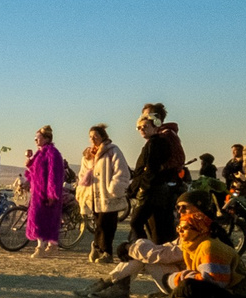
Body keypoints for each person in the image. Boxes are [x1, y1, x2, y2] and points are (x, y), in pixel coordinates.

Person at [163, 192, 246, 298]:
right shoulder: (191, 243)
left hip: (231, 295)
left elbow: (217, 281)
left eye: (185, 207)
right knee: (179, 286)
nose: (180, 211)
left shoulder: (211, 241)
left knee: (187, 286)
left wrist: (181, 277)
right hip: (210, 286)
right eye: (179, 229)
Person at [128, 107, 187, 245]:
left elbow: (178, 159)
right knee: (157, 228)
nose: (144, 119)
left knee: (156, 229)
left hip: (156, 188)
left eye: (148, 117)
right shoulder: (157, 137)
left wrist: (159, 169)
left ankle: (149, 254)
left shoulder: (164, 136)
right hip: (156, 187)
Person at [76, 124, 131, 261]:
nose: (93, 139)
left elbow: (122, 170)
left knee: (107, 225)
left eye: (96, 136)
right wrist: (82, 189)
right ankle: (97, 247)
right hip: (93, 196)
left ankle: (106, 252)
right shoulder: (88, 155)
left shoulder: (113, 151)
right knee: (98, 223)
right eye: (90, 137)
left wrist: (114, 187)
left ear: (103, 136)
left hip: (108, 195)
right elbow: (82, 174)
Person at [23, 127, 71, 257]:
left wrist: (52, 193)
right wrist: (29, 161)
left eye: (38, 138)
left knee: (47, 219)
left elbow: (54, 175)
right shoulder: (39, 154)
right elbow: (32, 172)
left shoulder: (52, 153)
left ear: (46, 138)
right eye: (35, 138)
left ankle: (44, 247)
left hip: (47, 193)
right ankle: (45, 246)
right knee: (38, 218)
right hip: (37, 193)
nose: (35, 140)